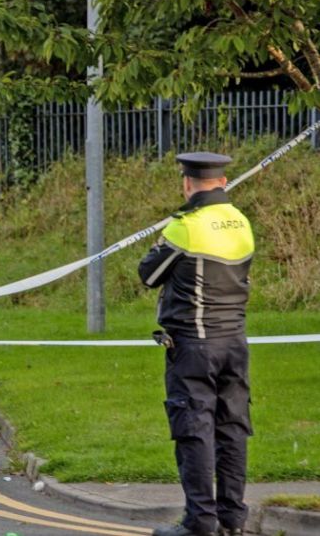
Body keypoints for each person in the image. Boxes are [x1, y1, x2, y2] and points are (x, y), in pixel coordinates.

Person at [138, 152, 255, 536]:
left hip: (193, 344)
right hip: (235, 341)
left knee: (195, 429)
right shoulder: (241, 221)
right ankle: (233, 518)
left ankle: (200, 522)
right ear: (223, 182)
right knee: (233, 428)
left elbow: (149, 273)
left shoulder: (184, 227)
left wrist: (167, 234)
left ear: (187, 183)